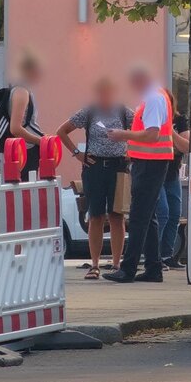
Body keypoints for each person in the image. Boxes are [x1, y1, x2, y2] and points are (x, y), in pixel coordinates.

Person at [103, 64, 174, 283]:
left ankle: (128, 269)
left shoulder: (153, 98)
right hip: (151, 162)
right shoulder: (155, 96)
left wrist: (123, 135)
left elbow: (152, 135)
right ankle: (153, 268)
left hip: (151, 163)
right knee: (148, 216)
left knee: (138, 217)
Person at [56, 77, 132, 279]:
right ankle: (95, 265)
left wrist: (131, 150)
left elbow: (140, 131)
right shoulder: (89, 112)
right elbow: (61, 131)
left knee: (117, 216)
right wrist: (77, 153)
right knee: (96, 215)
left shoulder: (124, 111)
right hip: (94, 166)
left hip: (118, 166)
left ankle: (116, 264)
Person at [0, 49, 44, 179]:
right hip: (26, 150)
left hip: (23, 150)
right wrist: (41, 141)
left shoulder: (19, 89)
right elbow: (15, 128)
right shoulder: (21, 92)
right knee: (26, 192)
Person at [155, 91, 190, 270]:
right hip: (155, 173)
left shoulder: (179, 120)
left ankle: (167, 255)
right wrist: (174, 144)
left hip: (172, 173)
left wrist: (171, 132)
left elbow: (186, 146)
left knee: (175, 213)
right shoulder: (151, 119)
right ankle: (155, 257)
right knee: (163, 212)